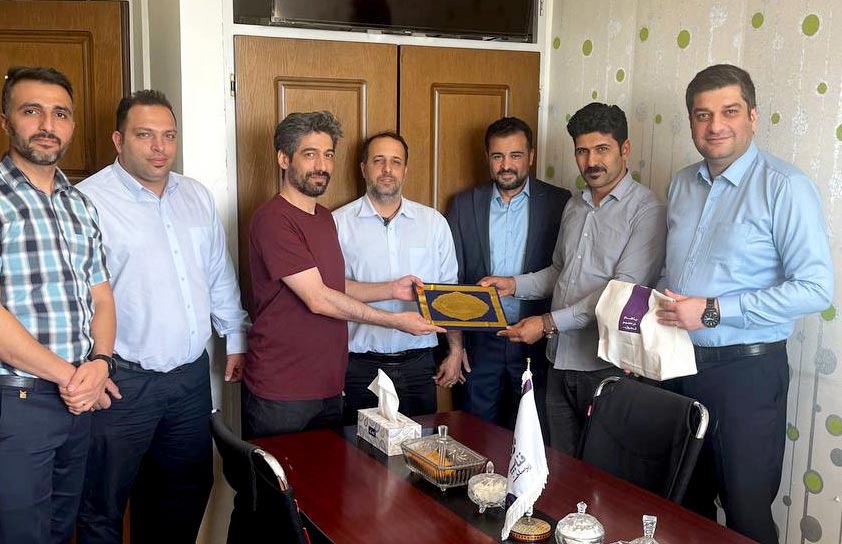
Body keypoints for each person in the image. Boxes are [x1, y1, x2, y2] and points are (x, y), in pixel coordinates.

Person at [657, 64, 833, 544]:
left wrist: (714, 309)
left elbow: (816, 288)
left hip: (747, 376)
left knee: (746, 516)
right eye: (703, 114)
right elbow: (673, 275)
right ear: (691, 121)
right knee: (683, 505)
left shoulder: (784, 186)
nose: (715, 125)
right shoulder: (681, 184)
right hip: (678, 366)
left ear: (753, 116)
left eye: (730, 111)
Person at [75, 90, 250, 543]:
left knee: (184, 494)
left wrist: (235, 337)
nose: (159, 147)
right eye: (145, 135)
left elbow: (218, 272)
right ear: (119, 140)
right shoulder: (85, 201)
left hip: (188, 381)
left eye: (169, 136)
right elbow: (75, 296)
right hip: (121, 383)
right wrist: (87, 368)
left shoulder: (196, 195)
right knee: (102, 505)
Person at [244, 111, 443, 438]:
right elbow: (318, 298)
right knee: (278, 473)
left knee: (335, 471)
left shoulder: (323, 218)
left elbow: (335, 287)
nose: (322, 165)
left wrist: (392, 289)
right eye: (310, 154)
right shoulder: (273, 219)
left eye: (328, 154)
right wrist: (395, 321)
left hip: (328, 386)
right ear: (284, 159)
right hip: (283, 389)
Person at [483, 103, 666, 454]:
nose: (591, 161)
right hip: (558, 361)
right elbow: (559, 272)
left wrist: (547, 323)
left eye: (602, 149)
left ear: (625, 149)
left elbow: (619, 295)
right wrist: (512, 284)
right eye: (582, 151)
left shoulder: (647, 211)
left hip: (607, 368)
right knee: (561, 466)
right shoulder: (575, 205)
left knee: (602, 473)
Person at [0, 66, 116, 544]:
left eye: (61, 113)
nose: (48, 124)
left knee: (59, 530)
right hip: (17, 402)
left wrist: (102, 362)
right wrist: (73, 378)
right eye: (32, 111)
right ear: (6, 120)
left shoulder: (79, 204)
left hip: (79, 403)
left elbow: (101, 296)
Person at [446, 117, 571, 431]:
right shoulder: (464, 204)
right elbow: (453, 278)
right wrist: (456, 345)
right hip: (480, 343)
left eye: (515, 155)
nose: (506, 165)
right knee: (474, 434)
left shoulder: (560, 203)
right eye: (497, 156)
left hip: (536, 341)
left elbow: (565, 271)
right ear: (487, 157)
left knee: (530, 437)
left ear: (531, 156)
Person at [333, 132, 462, 423]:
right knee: (357, 447)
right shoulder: (338, 224)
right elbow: (331, 292)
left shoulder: (434, 223)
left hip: (419, 365)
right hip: (359, 367)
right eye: (378, 161)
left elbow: (450, 293)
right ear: (363, 168)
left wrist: (455, 350)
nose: (387, 169)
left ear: (405, 169)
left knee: (420, 446)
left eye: (395, 162)